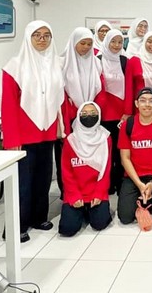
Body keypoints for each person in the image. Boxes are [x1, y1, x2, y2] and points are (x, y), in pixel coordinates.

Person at [2, 20, 64, 243]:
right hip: (23, 134)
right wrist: (11, 138)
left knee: (43, 178)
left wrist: (61, 128)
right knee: (22, 183)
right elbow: (9, 105)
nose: (42, 39)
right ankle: (17, 226)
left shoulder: (55, 63)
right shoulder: (14, 66)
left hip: (47, 131)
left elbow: (59, 100)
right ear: (28, 37)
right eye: (37, 35)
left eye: (46, 35)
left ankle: (39, 218)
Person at [57, 27, 103, 198]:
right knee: (68, 155)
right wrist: (74, 111)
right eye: (82, 43)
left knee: (89, 155)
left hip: (90, 116)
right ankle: (68, 193)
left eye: (89, 44)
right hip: (69, 117)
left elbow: (100, 89)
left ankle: (90, 191)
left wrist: (91, 111)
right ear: (73, 43)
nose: (86, 47)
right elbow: (59, 93)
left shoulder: (96, 63)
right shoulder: (62, 63)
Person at [117, 87, 152, 224]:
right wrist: (139, 184)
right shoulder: (127, 125)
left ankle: (148, 199)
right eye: (143, 101)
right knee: (125, 218)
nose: (147, 104)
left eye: (151, 101)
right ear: (136, 104)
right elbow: (125, 158)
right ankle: (144, 197)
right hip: (134, 176)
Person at [58, 102, 112, 236]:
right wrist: (74, 195)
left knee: (99, 224)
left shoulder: (105, 138)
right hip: (75, 193)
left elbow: (106, 170)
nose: (89, 116)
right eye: (84, 114)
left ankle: (90, 211)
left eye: (93, 113)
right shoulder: (70, 140)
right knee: (67, 229)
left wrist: (99, 193)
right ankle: (82, 211)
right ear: (78, 116)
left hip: (96, 192)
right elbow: (66, 172)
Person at [97, 28, 127, 194]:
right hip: (104, 114)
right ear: (106, 42)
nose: (116, 45)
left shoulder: (125, 61)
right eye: (113, 41)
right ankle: (107, 183)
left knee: (121, 149)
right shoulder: (97, 60)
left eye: (120, 42)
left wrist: (128, 111)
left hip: (122, 114)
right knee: (105, 150)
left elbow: (130, 87)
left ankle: (121, 182)